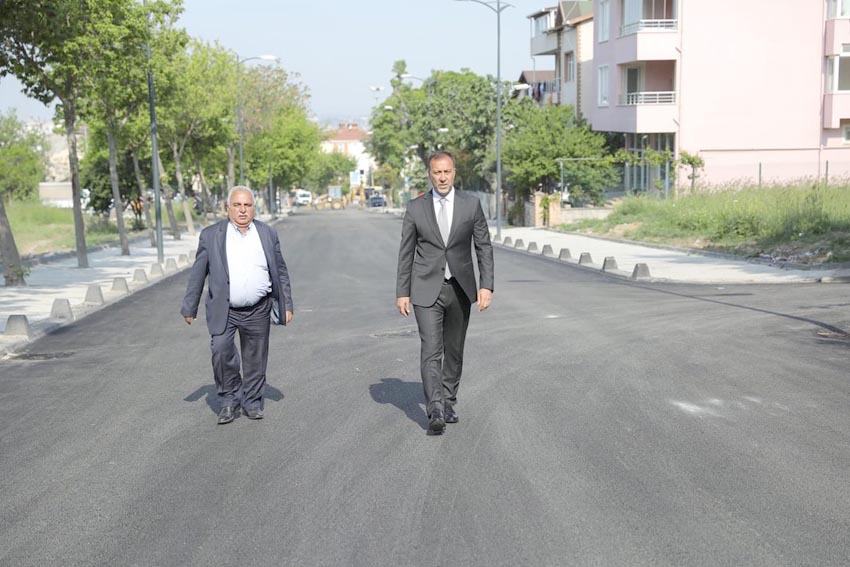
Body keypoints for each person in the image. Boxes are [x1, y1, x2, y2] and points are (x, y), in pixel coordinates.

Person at [396, 151, 494, 435]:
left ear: (454, 173)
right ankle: (435, 408)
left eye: (447, 172)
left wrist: (486, 285)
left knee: (454, 351)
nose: (442, 177)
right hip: (426, 289)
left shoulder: (471, 205)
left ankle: (449, 401)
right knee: (431, 350)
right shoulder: (416, 208)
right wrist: (402, 291)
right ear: (430, 173)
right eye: (437, 172)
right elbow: (406, 253)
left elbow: (483, 247)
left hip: (460, 288)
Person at [181, 186, 293, 425]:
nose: (243, 210)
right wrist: (190, 306)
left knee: (255, 357)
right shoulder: (211, 235)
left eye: (247, 205)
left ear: (254, 207)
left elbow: (280, 272)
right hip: (225, 309)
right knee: (221, 351)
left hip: (258, 308)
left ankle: (252, 402)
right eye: (237, 205)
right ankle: (229, 399)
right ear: (228, 208)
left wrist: (287, 304)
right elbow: (198, 273)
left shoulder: (267, 233)